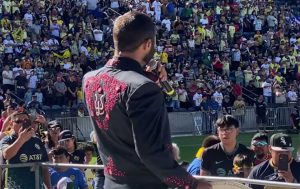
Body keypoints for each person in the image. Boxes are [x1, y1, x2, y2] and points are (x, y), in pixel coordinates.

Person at [83, 11, 211, 189]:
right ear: (148, 43)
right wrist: (192, 184)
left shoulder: (89, 79)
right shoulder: (143, 88)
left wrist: (144, 76)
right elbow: (150, 153)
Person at [0, 112, 51, 189]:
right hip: (14, 186)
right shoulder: (7, 140)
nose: (22, 124)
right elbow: (6, 155)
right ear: (11, 123)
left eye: (26, 121)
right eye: (18, 121)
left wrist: (49, 187)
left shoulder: (37, 141)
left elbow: (45, 168)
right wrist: (21, 139)